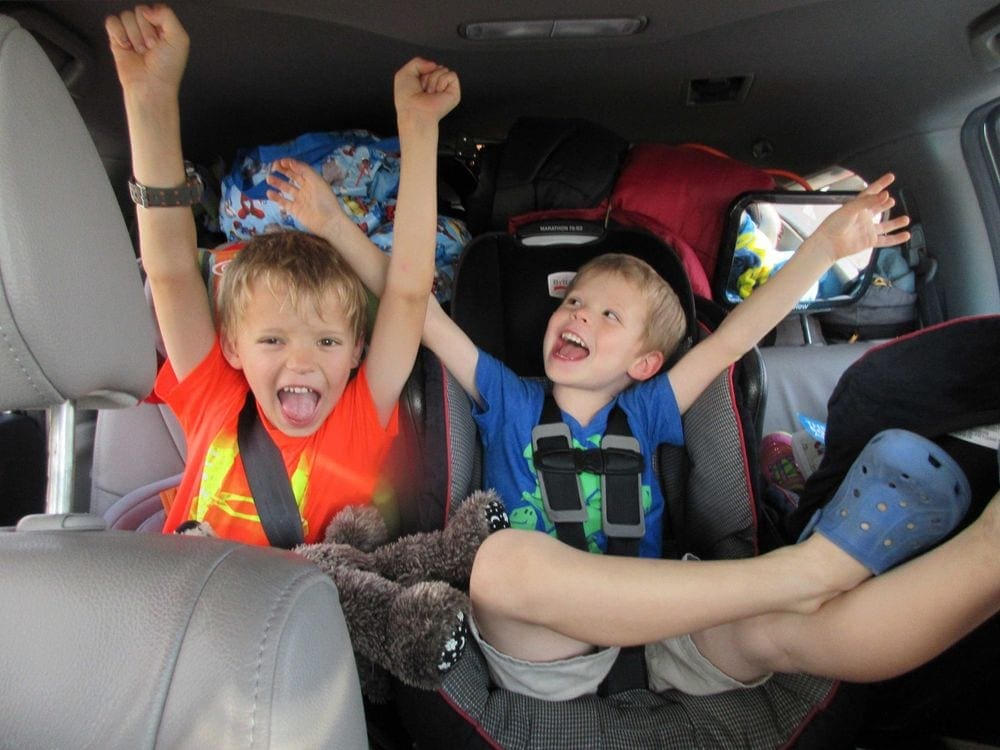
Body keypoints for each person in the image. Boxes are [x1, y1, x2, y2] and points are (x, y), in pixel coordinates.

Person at [268, 154, 1000, 699]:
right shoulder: (508, 396)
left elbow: (734, 337)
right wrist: (332, 223)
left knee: (794, 635)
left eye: (606, 315)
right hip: (548, 647)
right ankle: (805, 570)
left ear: (647, 363)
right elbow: (415, 310)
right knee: (499, 565)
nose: (577, 314)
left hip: (670, 618)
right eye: (573, 303)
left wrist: (825, 250)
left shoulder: (651, 409)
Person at [106, 4, 460, 545]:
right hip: (191, 609)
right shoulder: (215, 398)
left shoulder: (358, 419)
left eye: (326, 340)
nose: (302, 360)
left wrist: (418, 129)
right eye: (272, 339)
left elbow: (408, 293)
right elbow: (172, 269)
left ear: (358, 349)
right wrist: (148, 96)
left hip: (291, 623)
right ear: (231, 346)